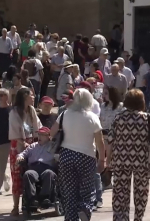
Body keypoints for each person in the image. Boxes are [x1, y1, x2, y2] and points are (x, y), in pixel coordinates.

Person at [50, 88, 105, 221]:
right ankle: (84, 208)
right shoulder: (92, 117)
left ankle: (71, 218)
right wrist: (102, 159)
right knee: (87, 189)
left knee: (69, 192)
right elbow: (100, 141)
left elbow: (52, 133)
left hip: (66, 155)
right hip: (86, 157)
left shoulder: (65, 114)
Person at [107, 89, 150, 221]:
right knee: (141, 192)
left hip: (120, 160)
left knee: (120, 192)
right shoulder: (146, 118)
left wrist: (108, 159)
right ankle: (138, 218)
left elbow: (110, 139)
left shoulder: (118, 117)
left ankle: (120, 218)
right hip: (141, 160)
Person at [8, 87, 41, 216]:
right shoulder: (14, 112)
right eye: (31, 96)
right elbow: (14, 132)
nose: (33, 98)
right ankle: (15, 206)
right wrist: (24, 143)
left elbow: (38, 126)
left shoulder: (32, 110)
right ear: (24, 98)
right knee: (17, 177)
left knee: (33, 174)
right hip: (18, 147)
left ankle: (32, 204)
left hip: (32, 145)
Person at [17, 126, 56, 206]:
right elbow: (23, 154)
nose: (39, 137)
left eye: (42, 135)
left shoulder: (53, 146)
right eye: (39, 134)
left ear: (48, 136)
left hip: (47, 167)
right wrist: (20, 157)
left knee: (49, 173)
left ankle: (44, 197)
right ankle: (32, 199)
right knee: (28, 174)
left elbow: (58, 155)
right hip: (33, 167)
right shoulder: (33, 146)